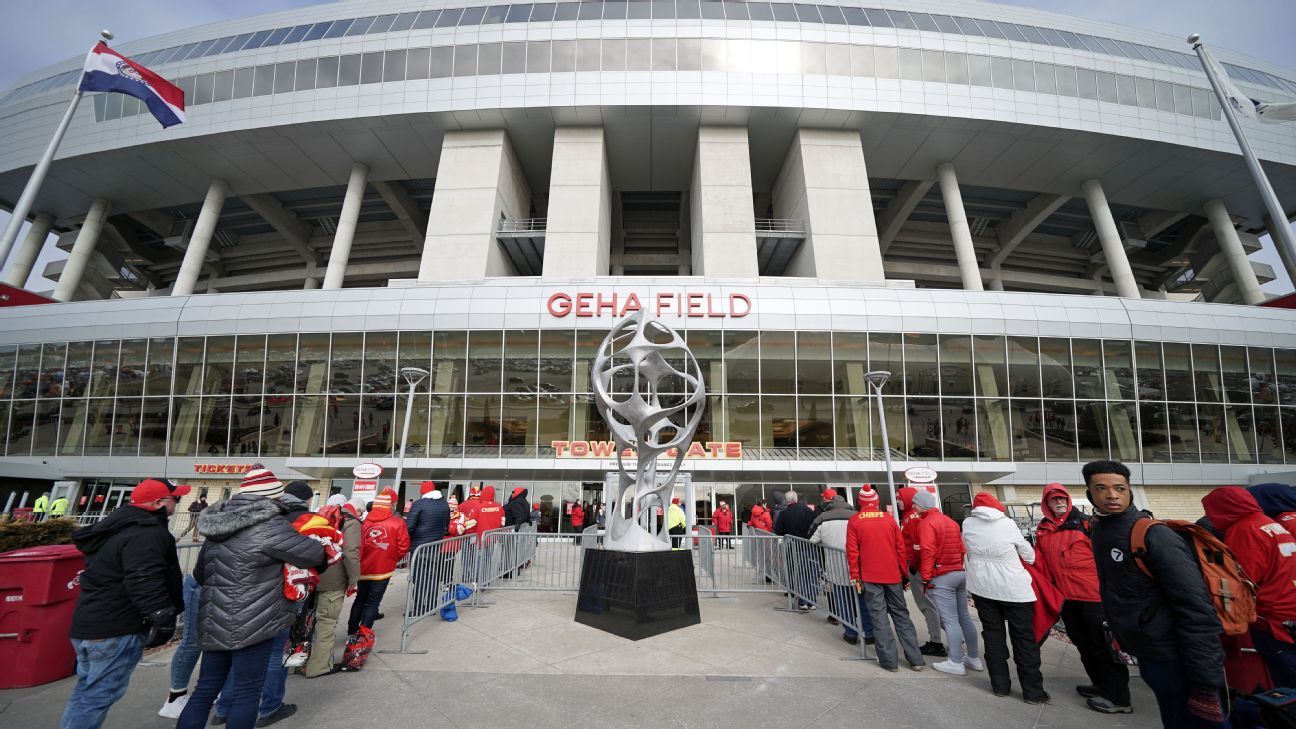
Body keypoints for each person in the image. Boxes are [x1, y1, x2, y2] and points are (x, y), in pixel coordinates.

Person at [176, 468, 324, 729]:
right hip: (255, 620)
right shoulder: (270, 526)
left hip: (214, 618)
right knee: (248, 692)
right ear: (270, 498)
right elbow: (313, 555)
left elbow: (200, 574)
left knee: (205, 689)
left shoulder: (217, 524)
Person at [1085, 460, 1227, 729]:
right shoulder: (1101, 530)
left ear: (1129, 491)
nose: (1112, 495)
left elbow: (1195, 605)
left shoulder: (1153, 535)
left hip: (1175, 653)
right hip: (1148, 649)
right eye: (1101, 488)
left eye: (1120, 488)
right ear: (1090, 493)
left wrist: (1206, 680)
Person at [61, 479, 187, 729]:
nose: (178, 503)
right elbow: (144, 577)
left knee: (87, 694)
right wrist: (161, 615)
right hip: (115, 628)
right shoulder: (145, 532)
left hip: (93, 622)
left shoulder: (117, 526)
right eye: (176, 499)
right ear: (158, 503)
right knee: (96, 697)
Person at [208, 480, 317, 726]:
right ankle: (270, 706)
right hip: (274, 595)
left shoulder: (229, 519)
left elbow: (202, 569)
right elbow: (314, 554)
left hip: (228, 598)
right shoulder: (296, 520)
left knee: (235, 656)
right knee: (272, 655)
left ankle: (224, 708)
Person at [1035, 483, 1131, 714]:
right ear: (1046, 504)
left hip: (1093, 597)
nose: (1059, 503)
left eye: (1062, 499)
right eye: (1053, 500)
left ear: (1069, 501)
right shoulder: (1044, 529)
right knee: (1083, 643)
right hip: (1067, 599)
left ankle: (1119, 698)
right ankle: (1100, 684)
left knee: (1103, 645)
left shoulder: (1088, 524)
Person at [1201, 486, 1296, 688]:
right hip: (1288, 612)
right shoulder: (1270, 524)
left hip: (1272, 620)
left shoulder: (1243, 530)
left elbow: (1241, 581)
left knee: (1287, 685)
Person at [962, 492, 1046, 704]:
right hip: (1013, 589)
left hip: (982, 587)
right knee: (1024, 639)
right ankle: (1033, 692)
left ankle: (1000, 686)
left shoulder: (968, 524)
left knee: (992, 636)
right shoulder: (1007, 523)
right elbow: (1029, 555)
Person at [845, 486, 925, 672]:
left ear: (860, 502)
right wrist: (904, 575)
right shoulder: (888, 519)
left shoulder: (855, 521)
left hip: (870, 577)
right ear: (877, 501)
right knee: (901, 615)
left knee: (879, 617)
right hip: (893, 576)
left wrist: (855, 576)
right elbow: (900, 550)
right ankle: (916, 659)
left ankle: (889, 661)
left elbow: (852, 553)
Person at [914, 489, 982, 677]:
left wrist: (926, 578)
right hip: (958, 573)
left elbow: (927, 552)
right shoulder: (950, 521)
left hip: (941, 575)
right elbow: (962, 549)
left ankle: (955, 661)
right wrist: (958, 566)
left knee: (950, 620)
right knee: (964, 617)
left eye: (915, 503)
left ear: (922, 505)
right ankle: (974, 658)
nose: (913, 506)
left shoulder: (926, 523)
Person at [303, 493, 361, 679]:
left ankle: (296, 662)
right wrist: (354, 579)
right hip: (333, 579)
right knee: (326, 623)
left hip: (309, 577)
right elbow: (350, 553)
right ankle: (319, 666)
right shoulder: (351, 523)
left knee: (305, 623)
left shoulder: (317, 518)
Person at [809, 489, 873, 643]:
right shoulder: (858, 517)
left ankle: (851, 633)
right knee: (862, 600)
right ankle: (869, 632)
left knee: (843, 601)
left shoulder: (823, 519)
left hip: (835, 568)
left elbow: (812, 540)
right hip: (857, 569)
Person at [346, 488, 410, 643]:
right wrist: (392, 558)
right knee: (373, 601)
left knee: (360, 599)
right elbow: (404, 546)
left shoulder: (363, 522)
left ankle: (352, 630)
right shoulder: (397, 522)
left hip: (364, 568)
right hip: (383, 569)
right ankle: (364, 633)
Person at [897, 486, 946, 658]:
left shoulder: (914, 518)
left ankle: (936, 642)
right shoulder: (914, 516)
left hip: (919, 568)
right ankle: (954, 635)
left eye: (900, 499)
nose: (898, 502)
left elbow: (920, 547)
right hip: (929, 567)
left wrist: (912, 567)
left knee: (928, 605)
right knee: (934, 605)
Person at [774, 490, 818, 610]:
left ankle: (802, 601)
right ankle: (812, 601)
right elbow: (815, 526)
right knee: (812, 574)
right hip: (810, 546)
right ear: (796, 499)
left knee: (800, 574)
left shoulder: (784, 513)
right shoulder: (808, 511)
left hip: (794, 547)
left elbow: (778, 531)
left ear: (787, 501)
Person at [406, 482, 451, 550]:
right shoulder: (445, 504)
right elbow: (447, 524)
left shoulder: (419, 504)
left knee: (418, 560)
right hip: (436, 544)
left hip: (419, 545)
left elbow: (409, 526)